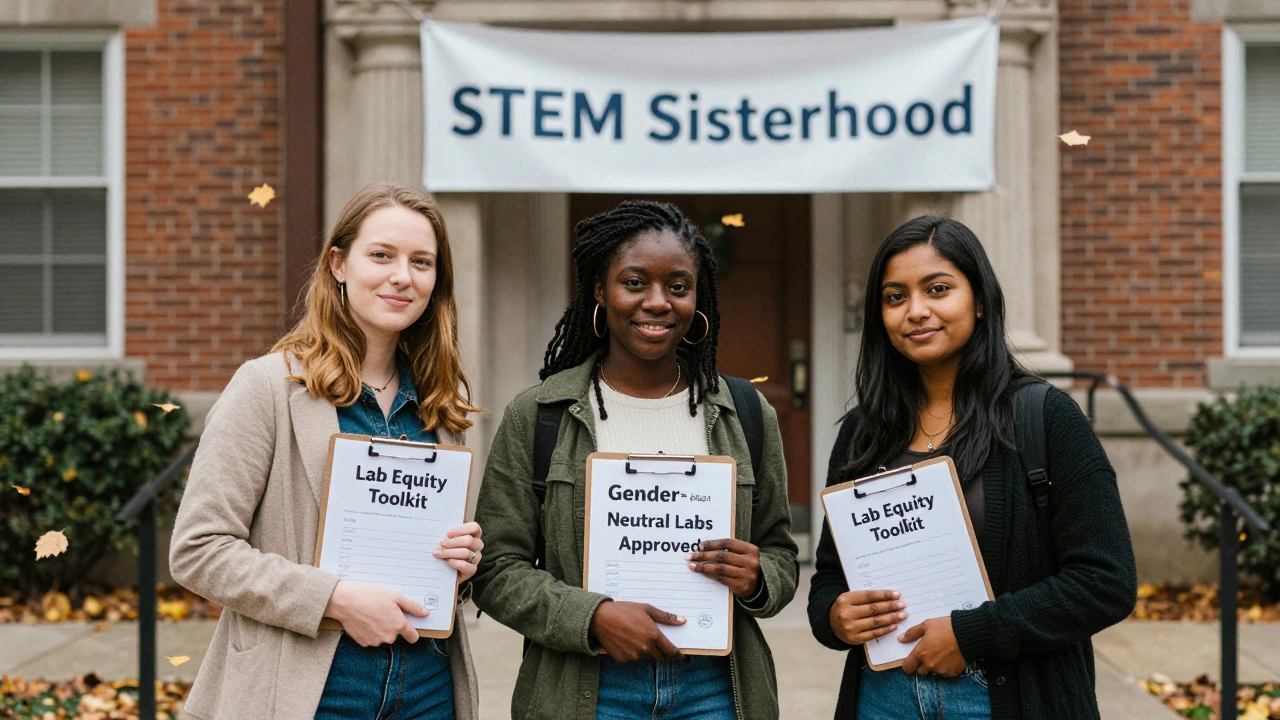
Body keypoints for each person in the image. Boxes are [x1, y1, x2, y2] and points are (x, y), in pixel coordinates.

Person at [471, 200, 799, 720]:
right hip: (586, 689)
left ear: (698, 296)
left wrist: (758, 579)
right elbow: (494, 571)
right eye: (635, 282)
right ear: (601, 291)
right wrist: (592, 616)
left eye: (678, 286)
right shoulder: (539, 415)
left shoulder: (746, 413)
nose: (657, 302)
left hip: (714, 689)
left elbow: (781, 552)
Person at [170, 182, 484, 720]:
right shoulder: (268, 387)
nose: (401, 277)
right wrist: (335, 599)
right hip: (309, 689)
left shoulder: (438, 404)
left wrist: (461, 563)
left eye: (422, 262)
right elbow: (198, 550)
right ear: (338, 264)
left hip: (428, 689)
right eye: (381, 255)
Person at [807, 215, 1137, 720]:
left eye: (937, 289)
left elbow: (1105, 582)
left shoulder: (1045, 417)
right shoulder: (863, 431)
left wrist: (971, 634)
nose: (916, 311)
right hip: (884, 697)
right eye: (895, 297)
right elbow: (830, 576)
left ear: (979, 300)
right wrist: (836, 616)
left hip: (1002, 697)